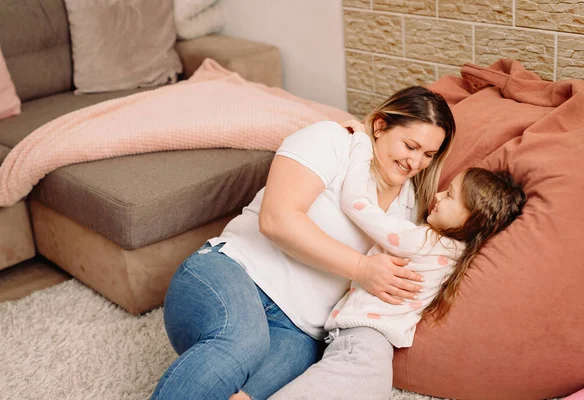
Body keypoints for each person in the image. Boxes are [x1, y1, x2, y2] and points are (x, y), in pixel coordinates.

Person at [150, 86, 456, 400]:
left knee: (246, 394)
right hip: (232, 273)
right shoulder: (334, 141)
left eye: (429, 155)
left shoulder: (410, 210)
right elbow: (276, 220)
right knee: (244, 342)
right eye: (410, 145)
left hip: (298, 332)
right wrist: (363, 267)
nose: (416, 162)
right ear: (379, 127)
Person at [270, 131, 527, 400]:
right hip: (373, 343)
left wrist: (361, 145)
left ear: (470, 219)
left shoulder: (422, 240)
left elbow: (357, 204)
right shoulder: (458, 253)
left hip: (367, 337)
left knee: (347, 385)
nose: (438, 196)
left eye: (450, 196)